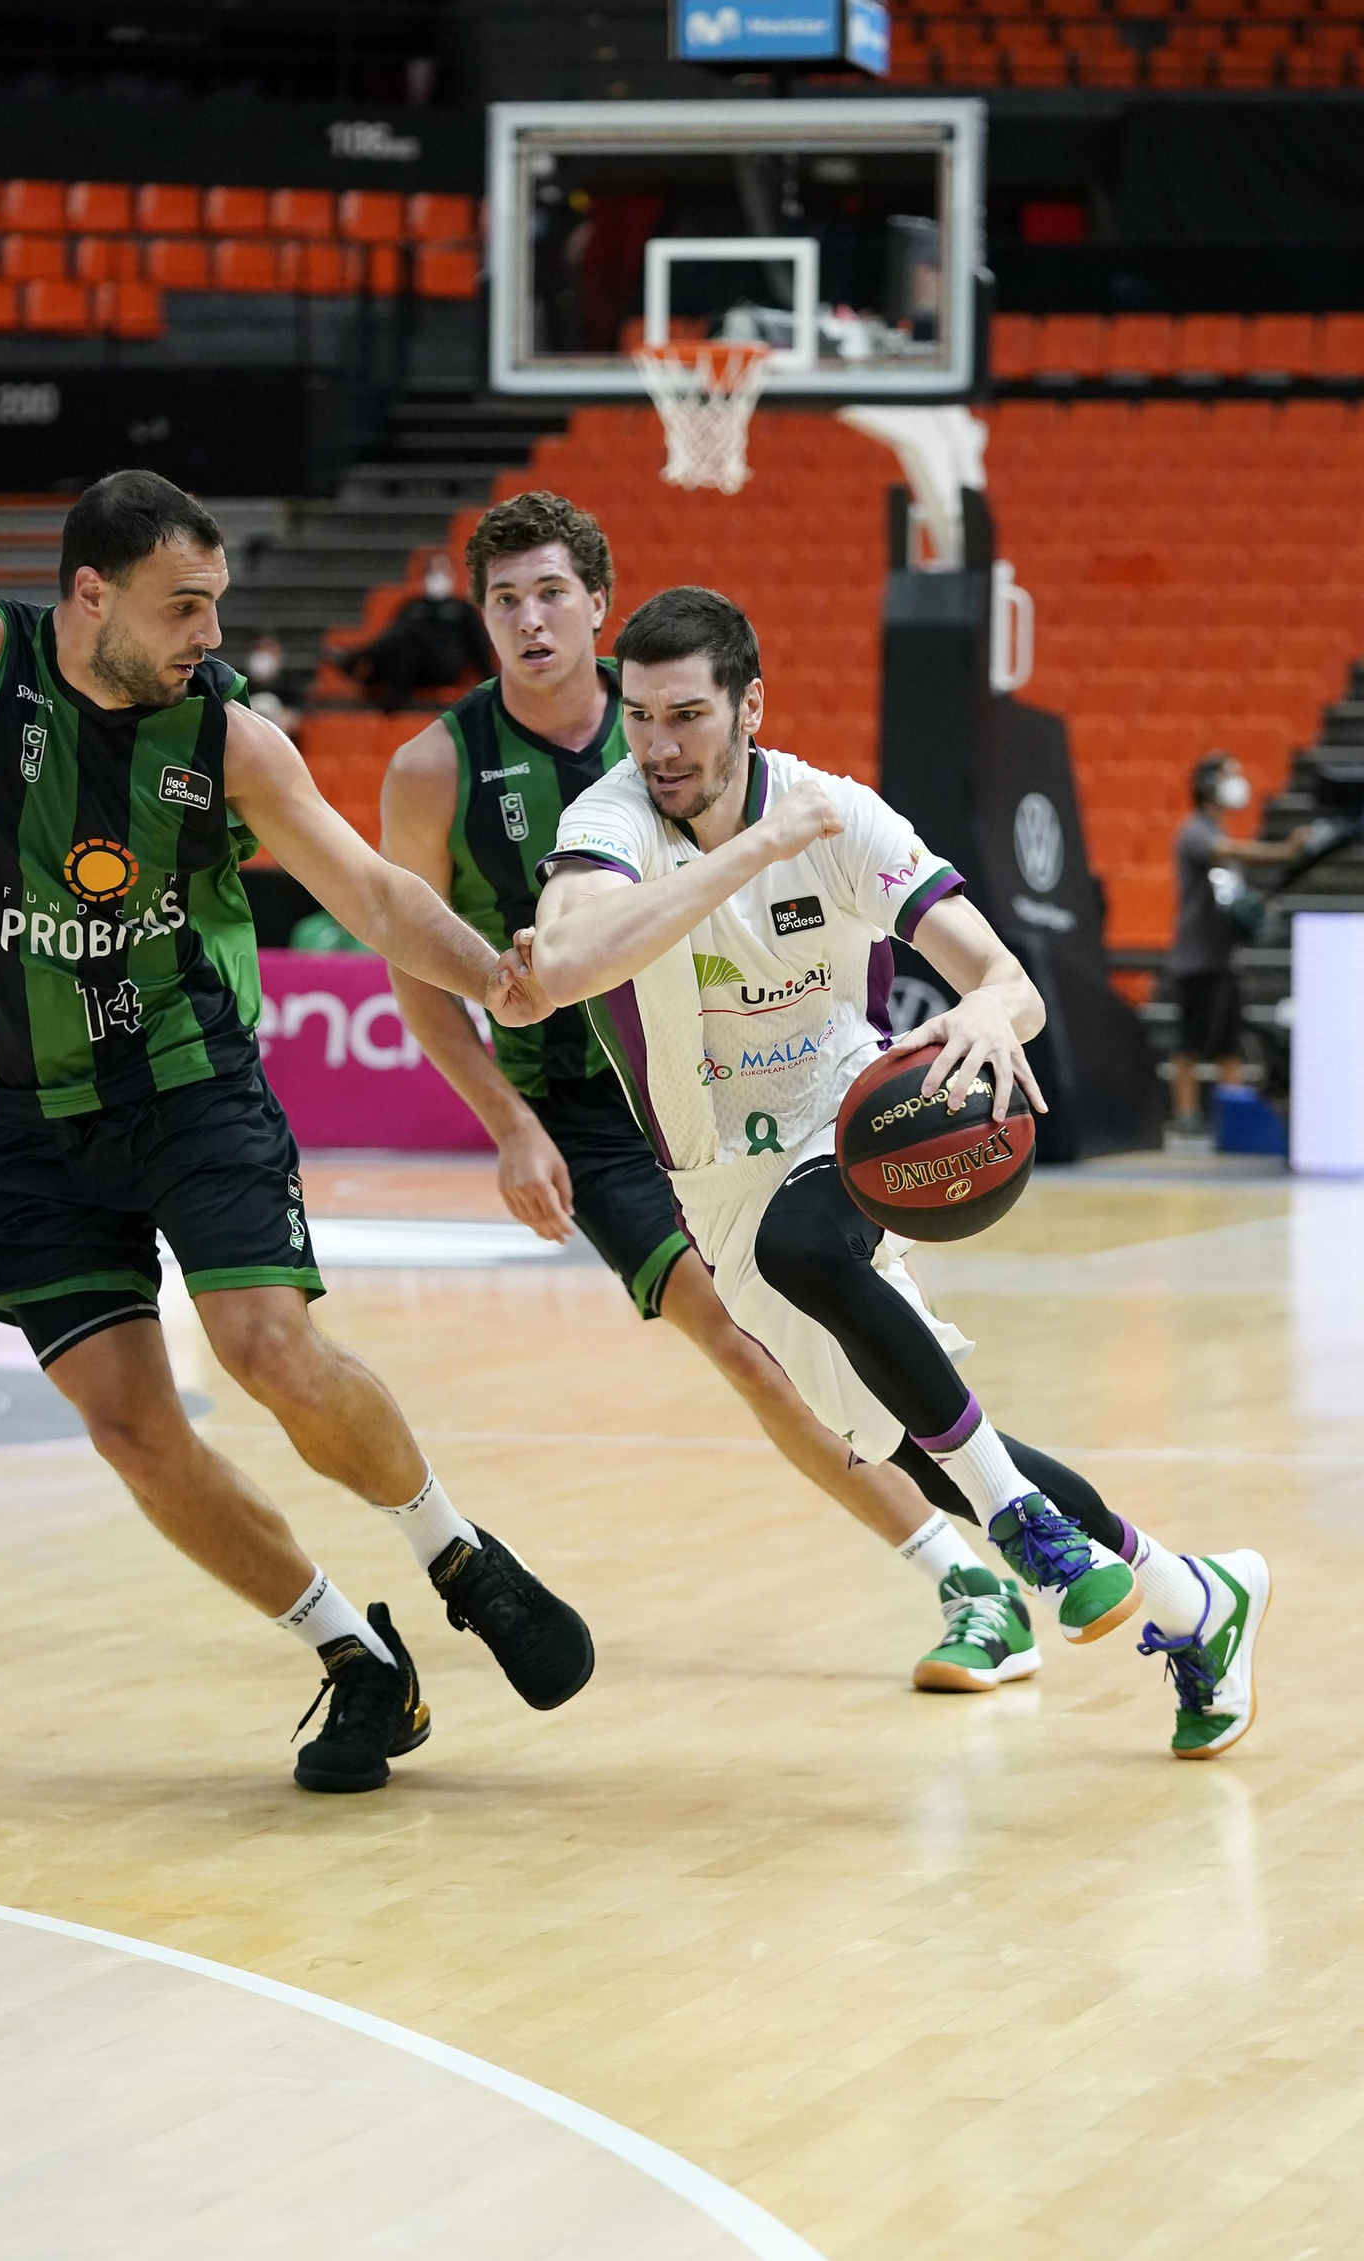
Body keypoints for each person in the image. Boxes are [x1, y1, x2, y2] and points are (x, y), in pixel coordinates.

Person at [0, 321, 594, 1797]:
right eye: (183, 606)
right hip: (7, 1121)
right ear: (90, 595)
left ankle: (457, 1552)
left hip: (185, 1084)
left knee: (264, 1344)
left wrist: (494, 973)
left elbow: (373, 892)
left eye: (219, 604)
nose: (211, 633)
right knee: (134, 1431)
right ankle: (356, 1656)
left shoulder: (231, 738)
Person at [382, 490, 1127, 1697]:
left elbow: (961, 945)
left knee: (795, 1319)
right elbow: (425, 967)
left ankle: (1007, 1565)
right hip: (595, 1105)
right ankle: (1026, 1566)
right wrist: (509, 1123)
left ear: (599, 612)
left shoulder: (732, 749)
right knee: (764, 1350)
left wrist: (985, 997)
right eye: (502, 599)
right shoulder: (450, 770)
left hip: (793, 1093)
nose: (527, 620)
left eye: (549, 594)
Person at [532, 584, 1269, 1758]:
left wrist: (992, 1011)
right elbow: (567, 956)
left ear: (749, 706)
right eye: (640, 717)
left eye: (688, 715)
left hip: (850, 1118)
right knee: (913, 1456)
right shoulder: (612, 818)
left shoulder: (838, 813)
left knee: (810, 1246)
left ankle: (1022, 1522)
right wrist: (747, 856)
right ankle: (1195, 1601)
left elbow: (1005, 977)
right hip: (714, 1169)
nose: (661, 746)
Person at [1167, 751, 1311, 1135]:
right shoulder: (1196, 831)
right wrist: (1283, 852)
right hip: (1196, 961)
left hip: (1224, 959)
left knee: (1229, 1042)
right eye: (1229, 775)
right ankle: (1186, 1115)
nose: (1237, 781)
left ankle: (1232, 1115)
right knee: (1191, 1042)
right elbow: (1228, 853)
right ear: (1208, 786)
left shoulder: (1217, 832)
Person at [332, 553, 491, 713]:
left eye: (441, 570)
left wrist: (491, 682)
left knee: (409, 634)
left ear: (452, 575)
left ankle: (359, 660)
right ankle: (378, 679)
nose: (437, 577)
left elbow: (478, 644)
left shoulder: (462, 609)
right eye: (432, 572)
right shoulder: (413, 606)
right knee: (404, 639)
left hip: (444, 666)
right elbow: (391, 636)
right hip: (414, 666)